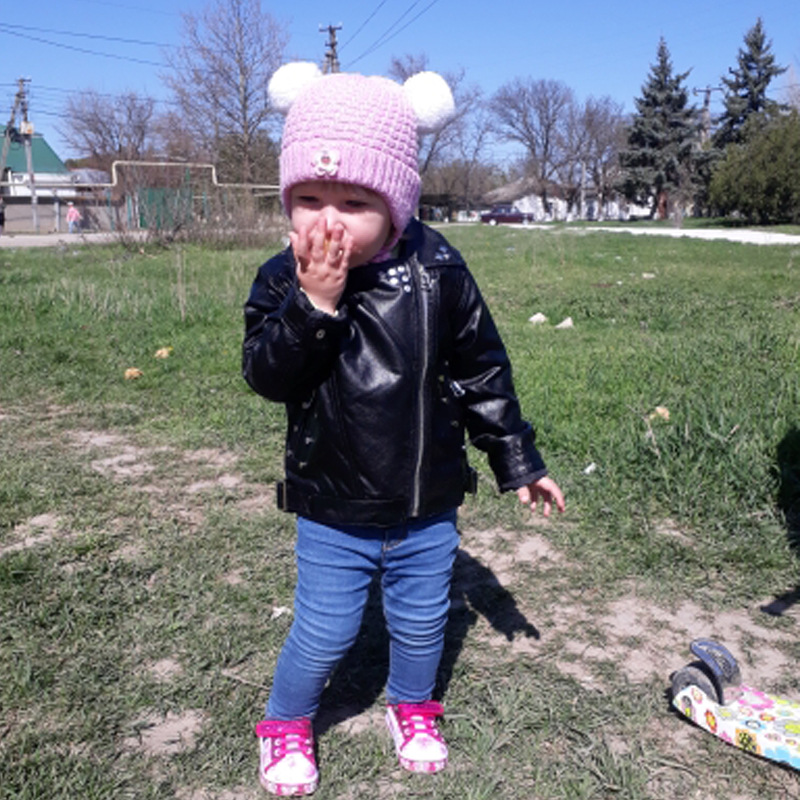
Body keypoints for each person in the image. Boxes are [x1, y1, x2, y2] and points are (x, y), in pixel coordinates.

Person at [242, 62, 565, 797]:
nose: (328, 221)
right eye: (309, 199)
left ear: (397, 205)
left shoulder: (439, 269)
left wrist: (517, 460)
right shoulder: (282, 279)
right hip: (334, 503)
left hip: (427, 499)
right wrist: (312, 308)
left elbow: (482, 371)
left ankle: (412, 705)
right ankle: (286, 721)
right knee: (325, 628)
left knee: (422, 623)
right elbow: (267, 376)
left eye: (355, 201)